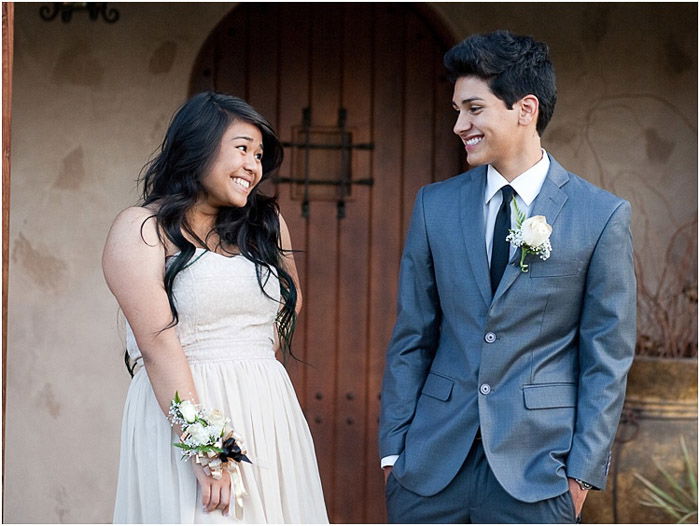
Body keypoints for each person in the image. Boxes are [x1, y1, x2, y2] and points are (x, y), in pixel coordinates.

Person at [379, 30, 636, 523]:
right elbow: (412, 336)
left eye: (473, 109)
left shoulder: (601, 216)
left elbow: (607, 358)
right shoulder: (434, 205)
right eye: (457, 110)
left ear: (525, 108)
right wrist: (393, 451)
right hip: (429, 471)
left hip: (538, 475)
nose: (459, 125)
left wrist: (579, 477)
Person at [104, 92, 328, 523]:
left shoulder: (265, 225)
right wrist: (205, 449)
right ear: (197, 147)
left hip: (267, 409)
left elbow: (283, 316)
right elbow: (157, 345)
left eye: (259, 155)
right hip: (187, 415)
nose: (253, 165)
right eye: (241, 148)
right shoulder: (141, 228)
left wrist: (254, 389)